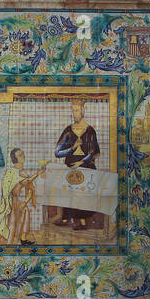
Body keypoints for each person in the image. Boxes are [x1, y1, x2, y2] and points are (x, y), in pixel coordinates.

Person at [54, 98, 101, 230]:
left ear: (83, 111)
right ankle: (70, 219)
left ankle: (83, 221)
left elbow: (93, 152)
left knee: (84, 191)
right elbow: (57, 152)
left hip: (86, 167)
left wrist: (80, 162)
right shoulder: (68, 130)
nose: (74, 113)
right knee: (68, 191)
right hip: (70, 168)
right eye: (73, 111)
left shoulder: (90, 130)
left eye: (76, 111)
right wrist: (73, 148)